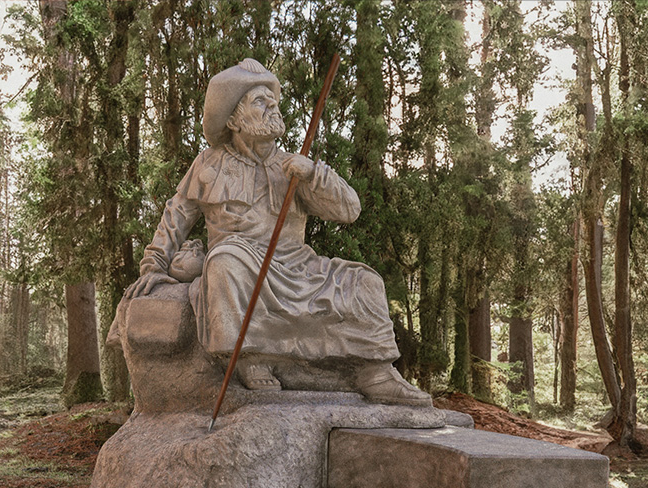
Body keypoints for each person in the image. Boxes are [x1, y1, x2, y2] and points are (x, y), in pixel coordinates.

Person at [126, 58, 429, 407]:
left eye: (273, 102)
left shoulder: (292, 166)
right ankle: (249, 357)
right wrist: (154, 264)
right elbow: (177, 214)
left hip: (297, 266)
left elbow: (349, 210)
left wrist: (314, 173)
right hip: (242, 261)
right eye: (260, 101)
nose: (272, 106)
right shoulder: (209, 163)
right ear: (234, 118)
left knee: (364, 282)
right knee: (224, 261)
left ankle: (375, 372)